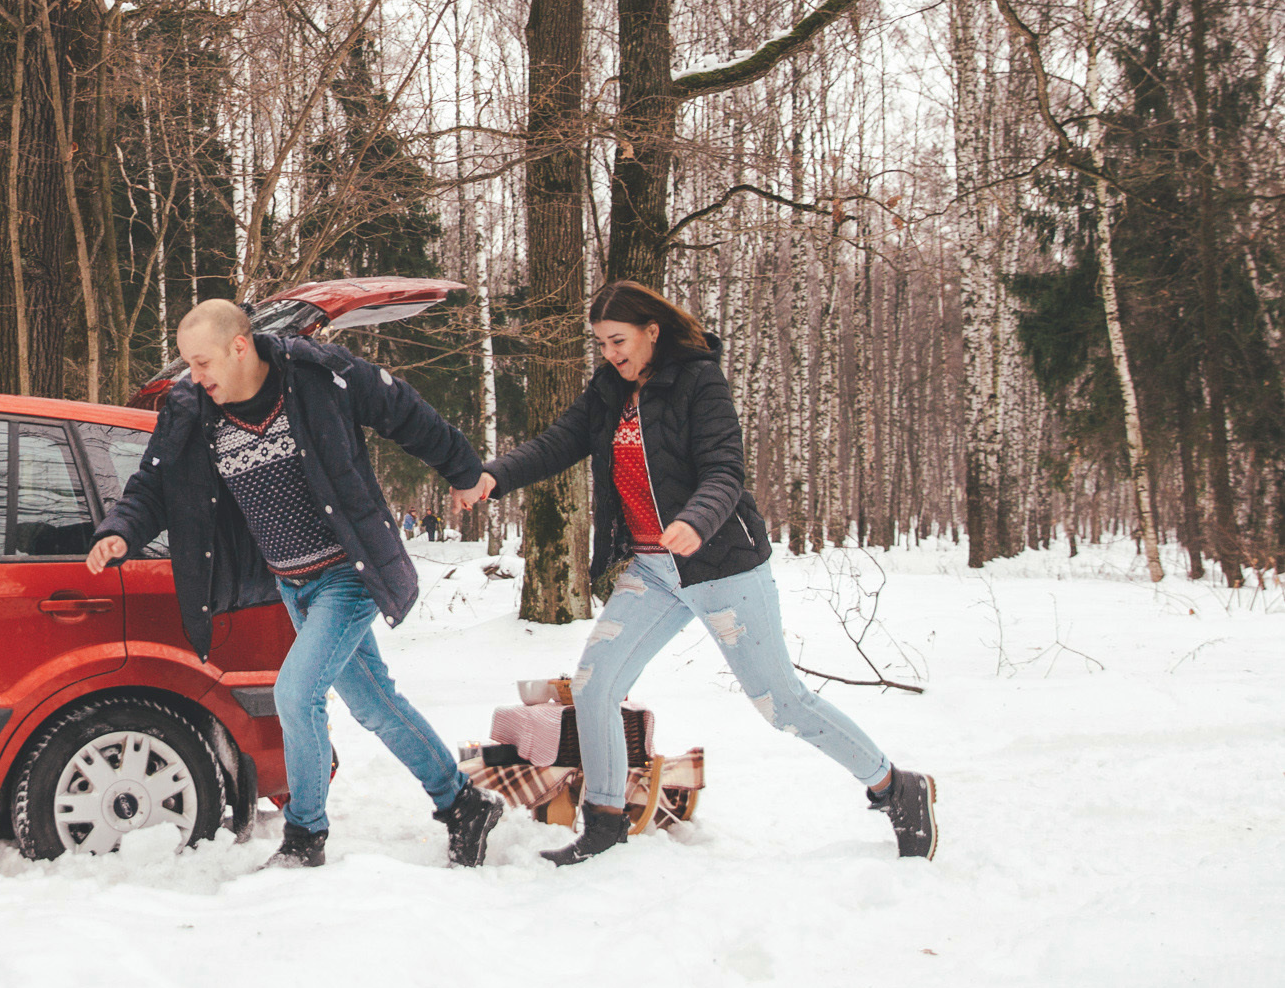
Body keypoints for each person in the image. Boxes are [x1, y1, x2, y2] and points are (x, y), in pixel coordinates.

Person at [453, 281, 937, 865]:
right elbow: (560, 442)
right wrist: (494, 476)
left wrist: (697, 520)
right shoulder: (609, 389)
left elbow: (725, 470)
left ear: (651, 331)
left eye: (619, 340)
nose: (610, 353)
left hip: (720, 565)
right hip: (654, 571)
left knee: (779, 701)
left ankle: (895, 786)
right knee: (594, 685)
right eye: (602, 344)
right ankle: (605, 823)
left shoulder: (698, 380)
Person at [88, 299, 500, 869]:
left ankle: (305, 836)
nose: (195, 376)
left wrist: (462, 470)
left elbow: (403, 410)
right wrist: (120, 533)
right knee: (376, 705)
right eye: (188, 364)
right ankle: (462, 802)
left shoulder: (317, 375)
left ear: (239, 346)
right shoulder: (191, 408)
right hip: (291, 583)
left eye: (202, 362)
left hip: (349, 573)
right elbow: (152, 485)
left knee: (295, 693)